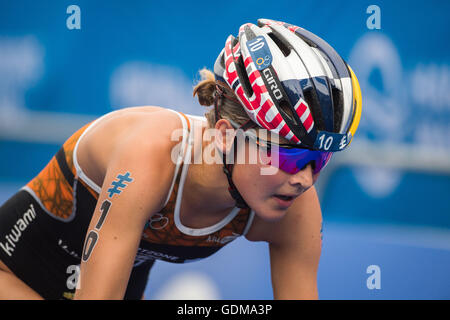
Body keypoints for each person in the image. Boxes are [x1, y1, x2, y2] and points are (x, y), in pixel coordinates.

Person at [0, 18, 362, 300]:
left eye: (320, 158)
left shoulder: (293, 202)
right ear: (224, 135)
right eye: (287, 156)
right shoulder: (154, 155)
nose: (305, 178)